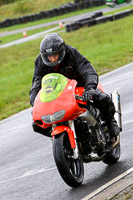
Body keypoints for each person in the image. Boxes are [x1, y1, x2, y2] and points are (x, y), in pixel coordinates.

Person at [29, 32, 120, 137]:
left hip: (80, 87)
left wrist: (90, 88)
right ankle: (59, 137)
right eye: (49, 56)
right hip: (57, 93)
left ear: (61, 51)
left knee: (103, 99)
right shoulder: (40, 61)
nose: (52, 59)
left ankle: (110, 122)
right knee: (36, 123)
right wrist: (34, 101)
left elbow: (87, 69)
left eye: (55, 55)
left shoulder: (71, 53)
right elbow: (36, 81)